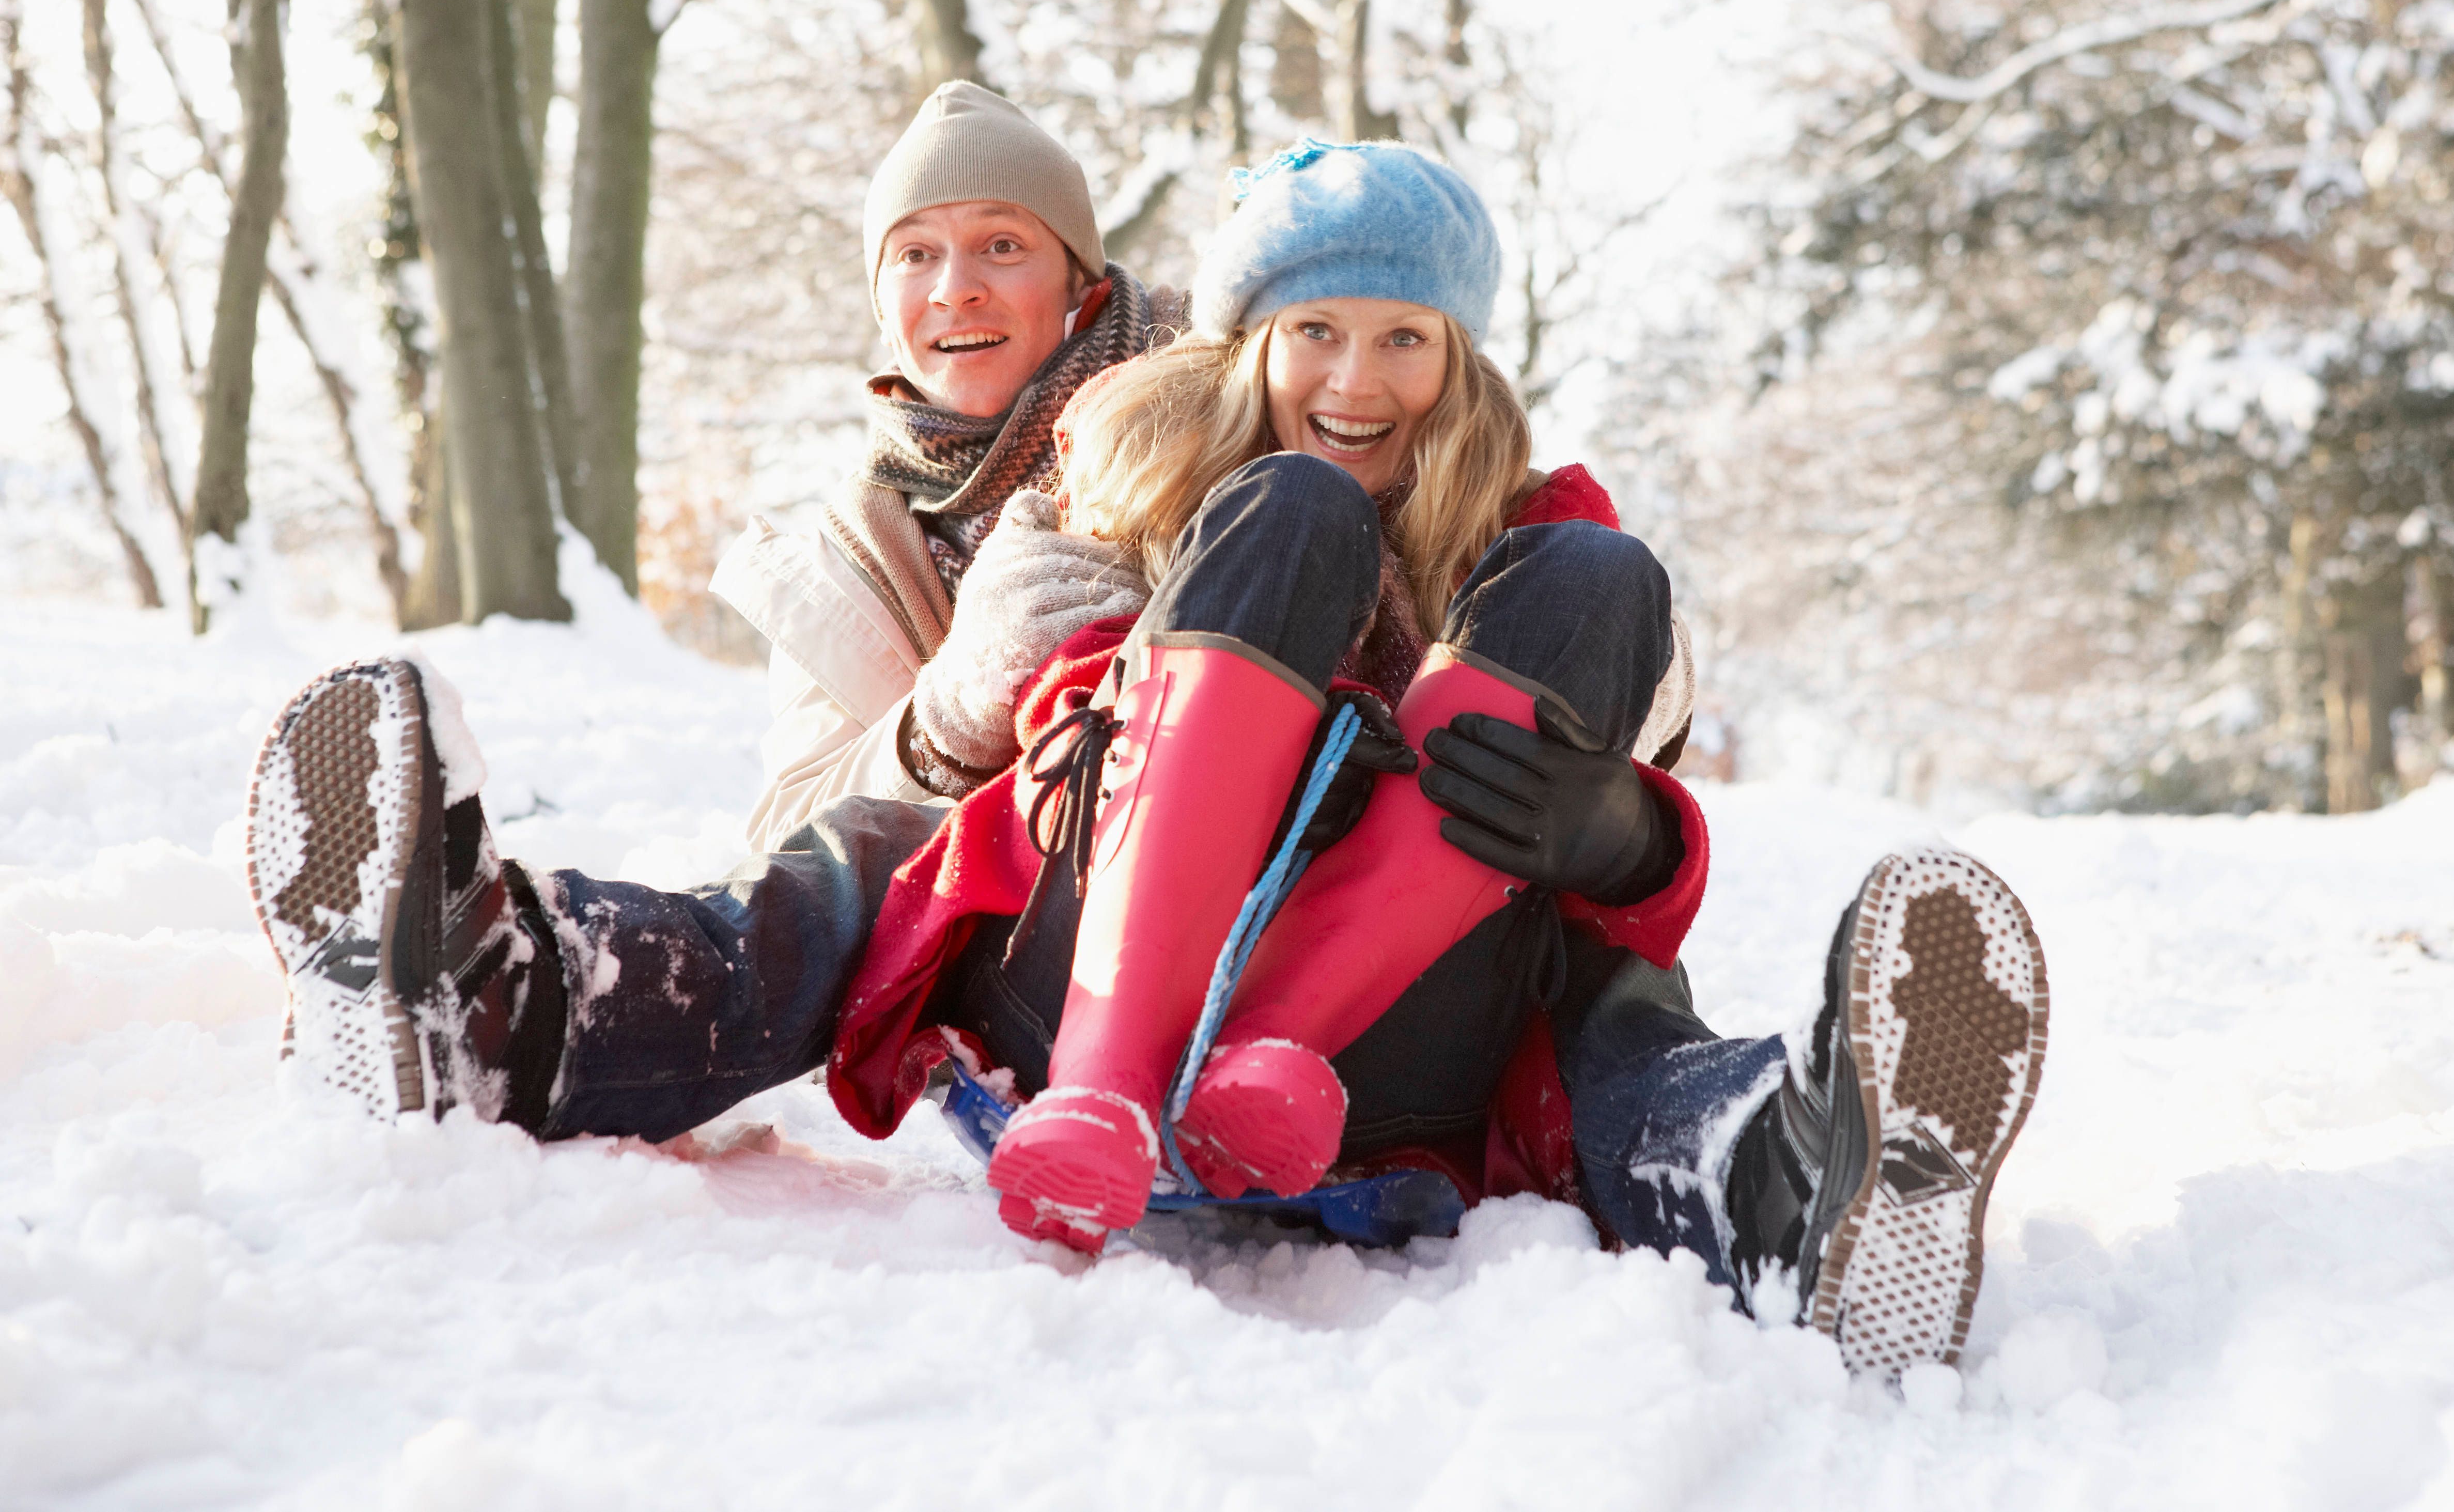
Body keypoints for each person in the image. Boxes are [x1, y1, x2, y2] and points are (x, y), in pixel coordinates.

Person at [241, 141, 2044, 1381]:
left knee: (1600, 925)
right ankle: (499, 993)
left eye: (1403, 338)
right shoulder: (1116, 489)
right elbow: (952, 764)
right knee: (863, 867)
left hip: (1371, 1041)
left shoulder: (1540, 527)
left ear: (1461, 354)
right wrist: (1135, 716)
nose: (1359, 379)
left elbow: (1632, 804)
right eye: (1314, 332)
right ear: (1240, 338)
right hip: (1110, 961)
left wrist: (1623, 826)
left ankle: (1801, 1182)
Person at [708, 80, 1180, 840]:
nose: (954, 290)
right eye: (915, 254)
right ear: (882, 309)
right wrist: (945, 721)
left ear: (1079, 284)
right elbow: (788, 846)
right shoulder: (855, 554)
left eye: (1002, 246)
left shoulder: (1222, 421)